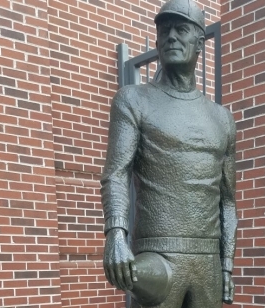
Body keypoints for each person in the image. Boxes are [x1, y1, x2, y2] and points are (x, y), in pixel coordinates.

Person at [100, 0, 238, 307]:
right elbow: (116, 173)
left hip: (207, 266)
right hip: (158, 256)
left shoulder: (222, 119)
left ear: (200, 41)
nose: (170, 36)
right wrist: (116, 234)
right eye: (164, 30)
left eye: (181, 29)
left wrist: (226, 265)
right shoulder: (134, 100)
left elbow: (228, 201)